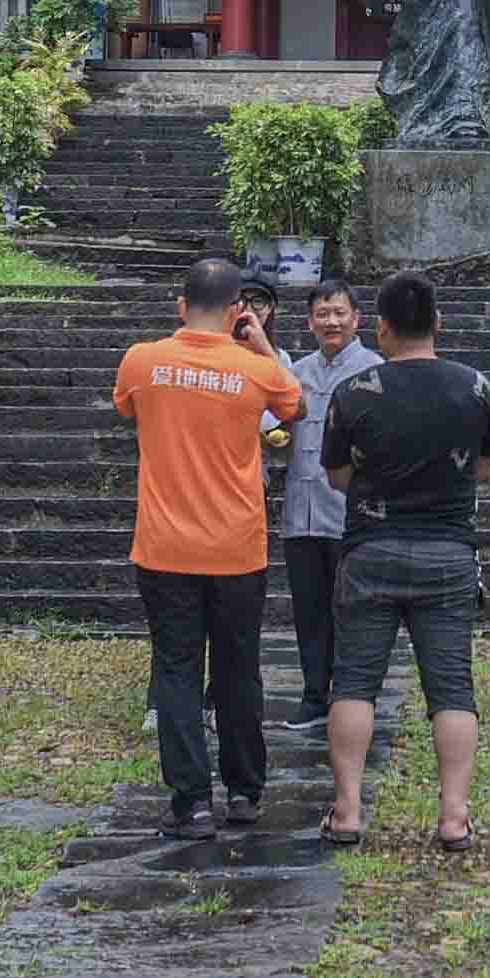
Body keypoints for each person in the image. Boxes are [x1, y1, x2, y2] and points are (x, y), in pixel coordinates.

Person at [115, 256, 304, 834]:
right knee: (238, 669)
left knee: (175, 670)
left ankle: (191, 803)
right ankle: (245, 792)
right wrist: (260, 349)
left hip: (164, 547)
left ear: (180, 306)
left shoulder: (142, 361)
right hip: (237, 549)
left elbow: (127, 407)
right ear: (236, 312)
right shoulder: (254, 368)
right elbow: (294, 407)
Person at [318, 270, 490, 851]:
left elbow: (338, 475)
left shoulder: (354, 391)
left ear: (381, 329)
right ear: (438, 325)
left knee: (353, 684)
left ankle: (347, 812)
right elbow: (483, 468)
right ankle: (454, 816)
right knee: (451, 689)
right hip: (449, 555)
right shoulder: (476, 387)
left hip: (371, 552)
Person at [272, 278, 380, 730]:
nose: (331, 321)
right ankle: (314, 696)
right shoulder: (295, 372)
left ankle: (352, 698)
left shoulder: (375, 370)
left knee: (354, 610)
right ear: (309, 321)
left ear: (357, 318)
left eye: (339, 313)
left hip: (353, 515)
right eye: (322, 314)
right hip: (302, 511)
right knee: (308, 609)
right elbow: (277, 431)